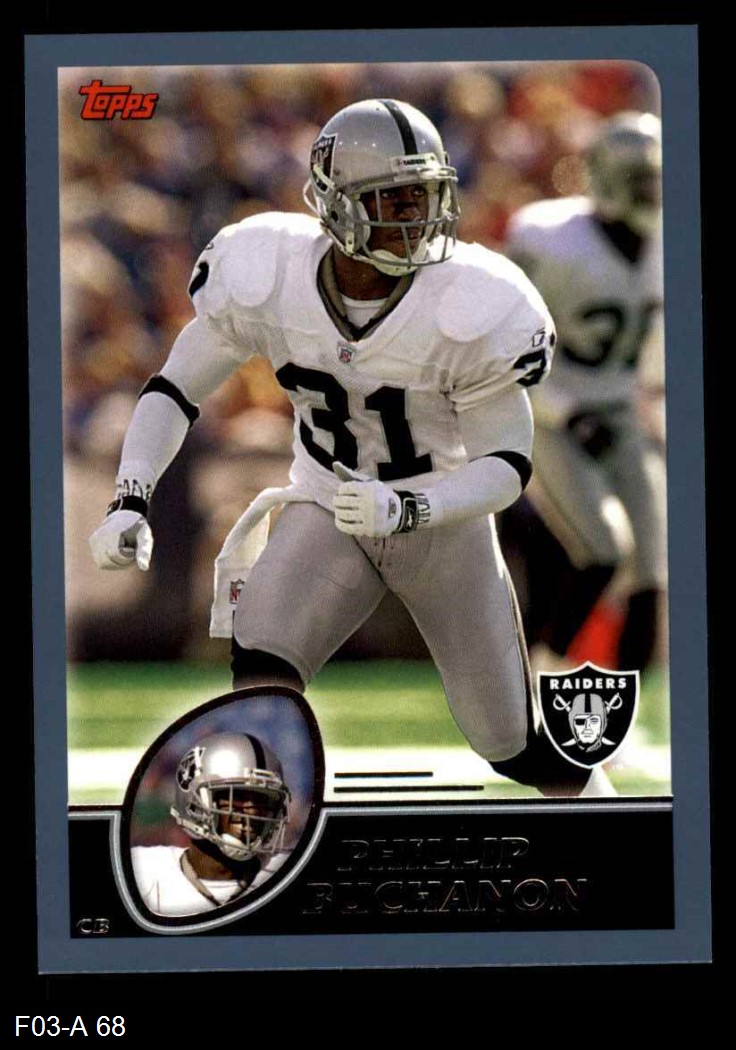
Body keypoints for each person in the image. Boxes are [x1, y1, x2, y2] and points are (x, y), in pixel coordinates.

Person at [90, 97, 606, 796]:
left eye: (425, 195)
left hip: (443, 524)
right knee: (261, 684)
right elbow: (175, 387)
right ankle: (260, 840)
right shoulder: (267, 272)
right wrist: (130, 497)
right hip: (326, 508)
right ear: (336, 205)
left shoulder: (476, 299)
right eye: (394, 199)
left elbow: (508, 465)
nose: (418, 217)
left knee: (511, 744)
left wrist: (409, 507)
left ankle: (613, 828)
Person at [503, 111, 666, 674]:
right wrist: (566, 412)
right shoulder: (550, 240)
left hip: (624, 411)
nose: (651, 193)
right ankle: (542, 672)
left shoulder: (668, 243)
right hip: (554, 412)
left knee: (653, 565)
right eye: (640, 180)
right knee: (601, 550)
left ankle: (631, 705)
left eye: (656, 180)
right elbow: (509, 347)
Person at [131, 732, 291, 916]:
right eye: (237, 796)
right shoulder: (145, 872)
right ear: (195, 803)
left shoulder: (287, 870)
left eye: (263, 800)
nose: (253, 811)